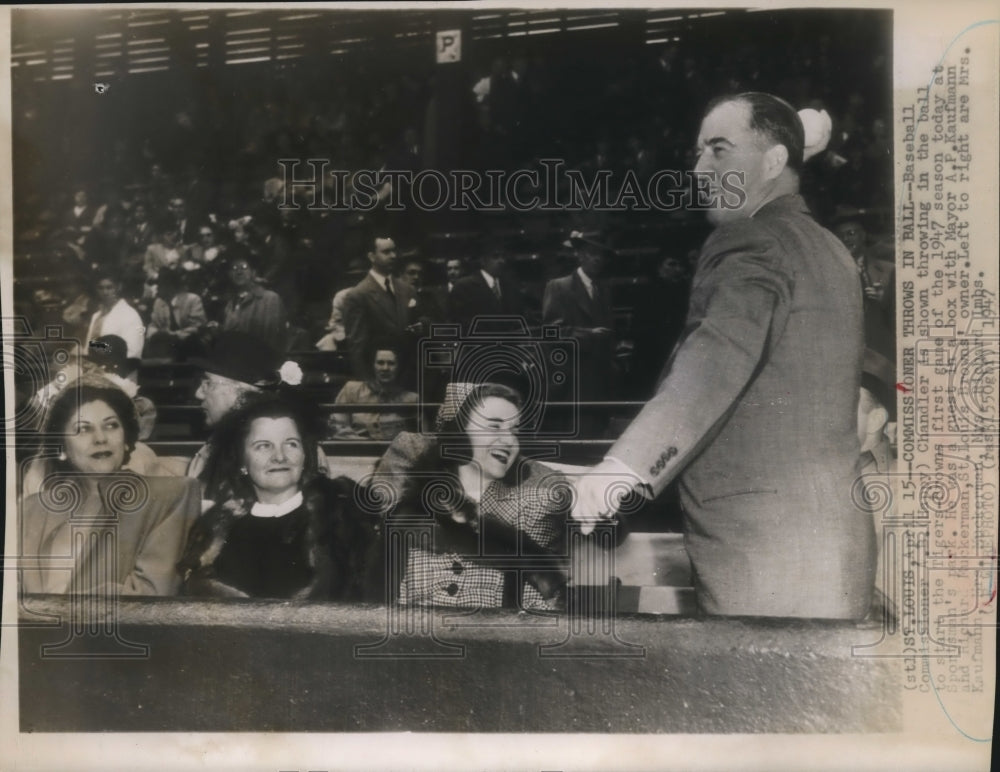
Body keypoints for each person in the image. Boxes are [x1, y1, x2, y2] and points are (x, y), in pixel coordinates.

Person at [572, 92, 875, 620]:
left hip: (763, 548)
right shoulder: (830, 248)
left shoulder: (750, 237)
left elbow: (715, 359)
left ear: (774, 162)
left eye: (718, 149)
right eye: (698, 152)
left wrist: (624, 466)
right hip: (834, 539)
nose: (699, 169)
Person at [370, 382, 570, 609]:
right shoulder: (412, 508)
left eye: (514, 431)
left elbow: (543, 608)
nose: (509, 440)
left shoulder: (531, 511)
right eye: (494, 427)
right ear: (459, 432)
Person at [176, 396, 374, 600]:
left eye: (291, 444)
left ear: (304, 455)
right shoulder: (212, 531)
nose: (279, 456)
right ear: (242, 461)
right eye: (263, 446)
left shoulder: (343, 519)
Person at [19, 374, 201, 596]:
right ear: (62, 448)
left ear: (126, 441)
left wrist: (54, 608)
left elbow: (152, 597)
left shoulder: (170, 497)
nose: (100, 438)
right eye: (83, 429)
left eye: (111, 426)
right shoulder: (31, 509)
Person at [542, 231, 619, 435]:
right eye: (593, 253)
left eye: (602, 255)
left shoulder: (603, 289)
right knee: (577, 436)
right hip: (573, 378)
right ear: (580, 255)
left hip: (600, 378)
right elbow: (551, 332)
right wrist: (589, 334)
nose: (598, 259)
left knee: (597, 436)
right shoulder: (559, 286)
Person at [341, 235, 415, 379]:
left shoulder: (407, 290)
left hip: (408, 375)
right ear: (372, 256)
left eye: (394, 251)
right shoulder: (358, 295)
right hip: (378, 377)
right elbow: (357, 347)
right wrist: (367, 383)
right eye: (386, 252)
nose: (393, 256)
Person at [328, 345, 418, 441]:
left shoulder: (411, 399)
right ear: (372, 365)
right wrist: (365, 443)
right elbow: (338, 426)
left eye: (391, 363)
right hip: (357, 448)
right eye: (380, 363)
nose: (385, 368)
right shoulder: (352, 390)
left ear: (399, 367)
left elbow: (419, 436)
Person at [221, 251, 289, 354]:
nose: (239, 272)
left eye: (244, 267)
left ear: (253, 272)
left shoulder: (269, 299)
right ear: (229, 275)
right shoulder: (230, 305)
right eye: (234, 268)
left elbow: (273, 340)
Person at [448, 245, 524, 336]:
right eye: (495, 256)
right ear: (483, 260)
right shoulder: (463, 286)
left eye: (503, 256)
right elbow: (460, 324)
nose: (501, 261)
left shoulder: (510, 286)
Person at [85, 271, 145, 364]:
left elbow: (133, 352)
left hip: (119, 368)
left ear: (118, 287)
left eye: (109, 288)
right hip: (93, 368)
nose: (105, 292)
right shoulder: (96, 316)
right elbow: (88, 348)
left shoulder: (130, 315)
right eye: (100, 288)